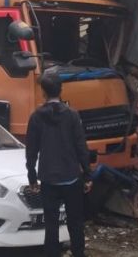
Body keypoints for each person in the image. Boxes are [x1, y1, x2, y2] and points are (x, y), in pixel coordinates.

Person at [26, 73, 93, 257]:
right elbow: (81, 147)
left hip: (48, 179)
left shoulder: (36, 117)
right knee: (75, 223)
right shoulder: (72, 115)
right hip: (71, 178)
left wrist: (32, 177)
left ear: (43, 92)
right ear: (61, 90)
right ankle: (78, 254)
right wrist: (87, 175)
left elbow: (31, 150)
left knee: (51, 225)